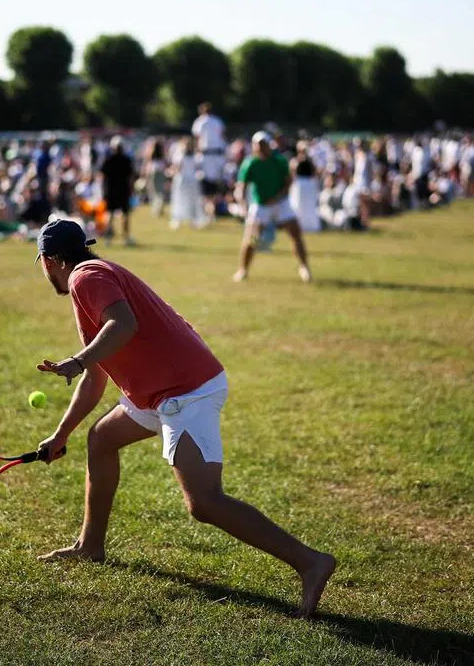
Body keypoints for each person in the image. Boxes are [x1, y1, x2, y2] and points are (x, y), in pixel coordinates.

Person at [30, 219, 336, 618]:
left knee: (204, 502)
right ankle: (90, 546)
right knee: (101, 439)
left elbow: (123, 326)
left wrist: (77, 359)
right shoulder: (94, 277)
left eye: (42, 262)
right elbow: (98, 374)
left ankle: (311, 562)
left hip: (186, 391)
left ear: (52, 260)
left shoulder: (86, 277)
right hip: (157, 392)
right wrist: (61, 434)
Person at [233, 132, 312, 283]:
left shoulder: (279, 161)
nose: (260, 147)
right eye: (258, 144)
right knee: (251, 239)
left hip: (280, 203)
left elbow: (288, 181)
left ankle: (304, 268)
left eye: (263, 144)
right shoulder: (250, 163)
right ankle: (243, 270)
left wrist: (277, 197)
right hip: (260, 205)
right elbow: (241, 187)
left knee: (295, 234)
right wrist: (243, 206)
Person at [192, 102, 227, 221]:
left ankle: (210, 209)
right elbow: (222, 137)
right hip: (216, 155)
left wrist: (197, 152)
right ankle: (210, 209)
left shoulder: (200, 121)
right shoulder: (218, 121)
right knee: (214, 183)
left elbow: (197, 139)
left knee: (206, 183)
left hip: (206, 155)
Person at [100, 136, 136, 246]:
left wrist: (103, 191)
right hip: (122, 191)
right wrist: (131, 190)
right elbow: (130, 178)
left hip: (111, 191)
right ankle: (125, 238)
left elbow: (102, 176)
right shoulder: (126, 160)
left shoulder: (108, 160)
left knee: (110, 215)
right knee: (124, 215)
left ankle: (109, 238)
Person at [169, 136, 204, 229]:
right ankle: (181, 220)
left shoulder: (192, 156)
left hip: (186, 180)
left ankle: (190, 221)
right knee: (183, 201)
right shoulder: (185, 156)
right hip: (185, 180)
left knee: (187, 201)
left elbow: (177, 168)